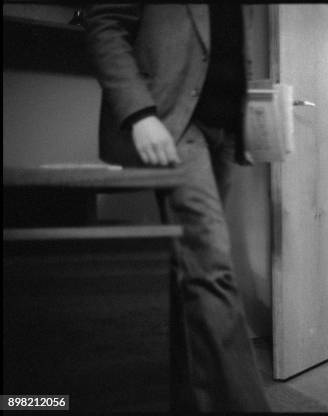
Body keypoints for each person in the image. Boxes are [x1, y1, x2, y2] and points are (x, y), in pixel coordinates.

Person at [82, 4, 269, 412]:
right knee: (213, 269)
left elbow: (230, 44)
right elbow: (104, 22)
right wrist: (139, 114)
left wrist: (248, 124)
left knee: (194, 271)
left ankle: (188, 401)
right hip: (175, 120)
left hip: (225, 128)